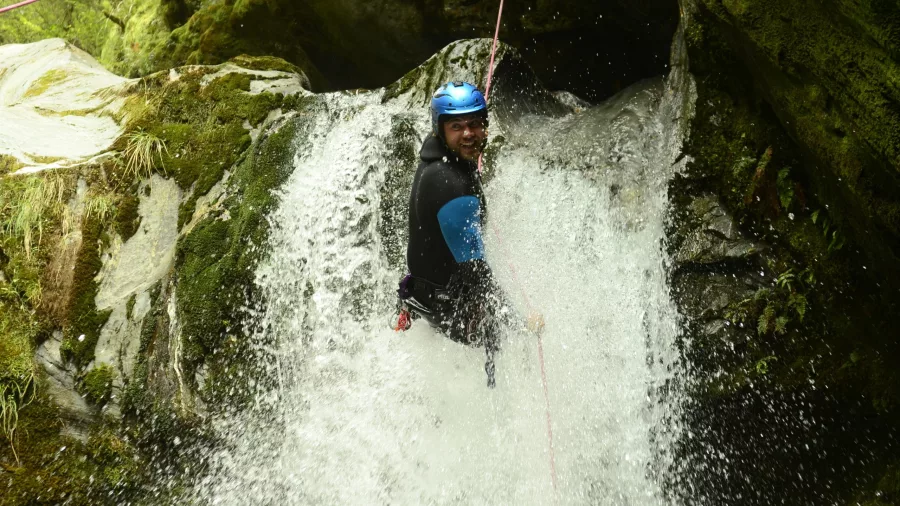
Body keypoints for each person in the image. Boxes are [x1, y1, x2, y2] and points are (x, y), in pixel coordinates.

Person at [396, 81, 543, 388]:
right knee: (503, 338)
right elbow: (475, 272)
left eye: (475, 124)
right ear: (440, 129)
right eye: (457, 126)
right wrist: (517, 322)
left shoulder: (440, 157)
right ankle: (496, 405)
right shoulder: (450, 187)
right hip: (445, 304)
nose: (468, 133)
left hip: (425, 291)